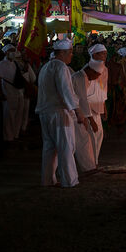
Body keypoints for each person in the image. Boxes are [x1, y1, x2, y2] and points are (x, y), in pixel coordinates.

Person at [36, 39, 85, 188]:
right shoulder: (61, 67)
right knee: (65, 147)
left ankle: (48, 180)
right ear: (62, 53)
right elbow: (66, 92)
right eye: (70, 53)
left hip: (45, 112)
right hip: (59, 113)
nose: (71, 56)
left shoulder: (46, 67)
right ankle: (70, 180)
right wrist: (77, 111)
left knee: (49, 148)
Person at [71, 52, 104, 173]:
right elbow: (82, 100)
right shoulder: (80, 77)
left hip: (77, 113)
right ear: (92, 71)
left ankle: (88, 166)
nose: (96, 78)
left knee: (80, 141)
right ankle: (88, 168)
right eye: (97, 75)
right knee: (83, 141)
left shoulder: (82, 77)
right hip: (75, 114)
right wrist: (90, 120)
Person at [0, 44, 26, 141]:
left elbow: (23, 73)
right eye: (11, 51)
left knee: (19, 114)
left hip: (18, 93)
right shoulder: (1, 64)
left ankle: (16, 135)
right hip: (8, 93)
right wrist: (1, 93)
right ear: (6, 52)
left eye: (14, 50)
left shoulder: (16, 63)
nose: (13, 53)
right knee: (9, 116)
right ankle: (8, 137)